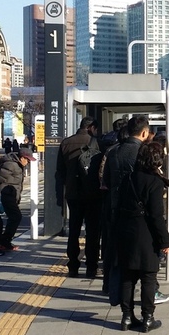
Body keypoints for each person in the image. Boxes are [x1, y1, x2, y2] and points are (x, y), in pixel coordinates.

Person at [113, 141, 169, 332]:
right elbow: (156, 216)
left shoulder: (128, 178)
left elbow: (118, 206)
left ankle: (127, 317)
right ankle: (148, 318)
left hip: (125, 232)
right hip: (147, 235)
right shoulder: (154, 182)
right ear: (156, 160)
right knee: (148, 277)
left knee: (127, 277)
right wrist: (165, 241)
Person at [56, 117, 100, 277]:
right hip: (93, 194)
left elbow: (59, 171)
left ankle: (73, 266)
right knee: (92, 232)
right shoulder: (96, 142)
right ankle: (91, 267)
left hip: (73, 193)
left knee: (74, 230)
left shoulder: (66, 143)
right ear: (92, 127)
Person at [0, 147, 35, 251]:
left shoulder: (18, 165)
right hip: (6, 195)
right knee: (16, 217)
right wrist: (3, 189)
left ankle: (4, 241)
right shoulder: (11, 164)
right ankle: (4, 241)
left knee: (14, 217)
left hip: (11, 195)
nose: (29, 162)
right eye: (28, 160)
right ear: (21, 158)